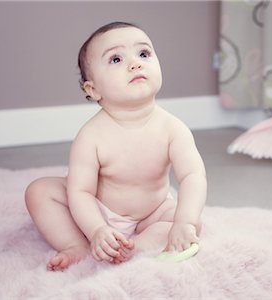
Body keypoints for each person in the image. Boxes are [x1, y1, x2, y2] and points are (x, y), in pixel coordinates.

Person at [25, 21, 207, 271]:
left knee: (190, 222)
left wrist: (183, 222)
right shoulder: (91, 135)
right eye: (116, 60)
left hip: (150, 211)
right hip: (97, 208)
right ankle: (76, 245)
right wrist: (97, 228)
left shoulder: (173, 129)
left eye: (143, 53)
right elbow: (81, 192)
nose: (135, 63)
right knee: (39, 192)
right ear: (94, 89)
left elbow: (192, 176)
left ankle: (134, 248)